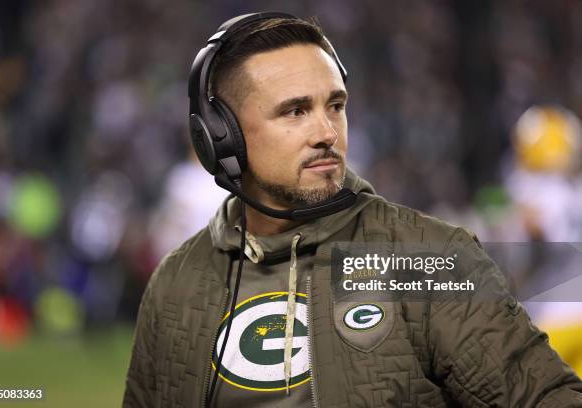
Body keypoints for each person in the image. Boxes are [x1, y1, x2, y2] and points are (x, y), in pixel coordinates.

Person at [123, 12, 582, 407]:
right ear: (221, 136)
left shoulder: (425, 258)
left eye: (335, 105)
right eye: (295, 111)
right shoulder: (175, 282)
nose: (327, 131)